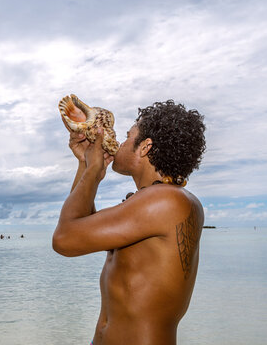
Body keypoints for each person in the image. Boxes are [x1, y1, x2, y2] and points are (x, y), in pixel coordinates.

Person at [53, 100, 206, 345]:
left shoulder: (167, 201)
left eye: (127, 136)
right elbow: (82, 231)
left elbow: (65, 240)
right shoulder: (158, 200)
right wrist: (85, 166)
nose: (121, 143)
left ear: (145, 147)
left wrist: (93, 168)